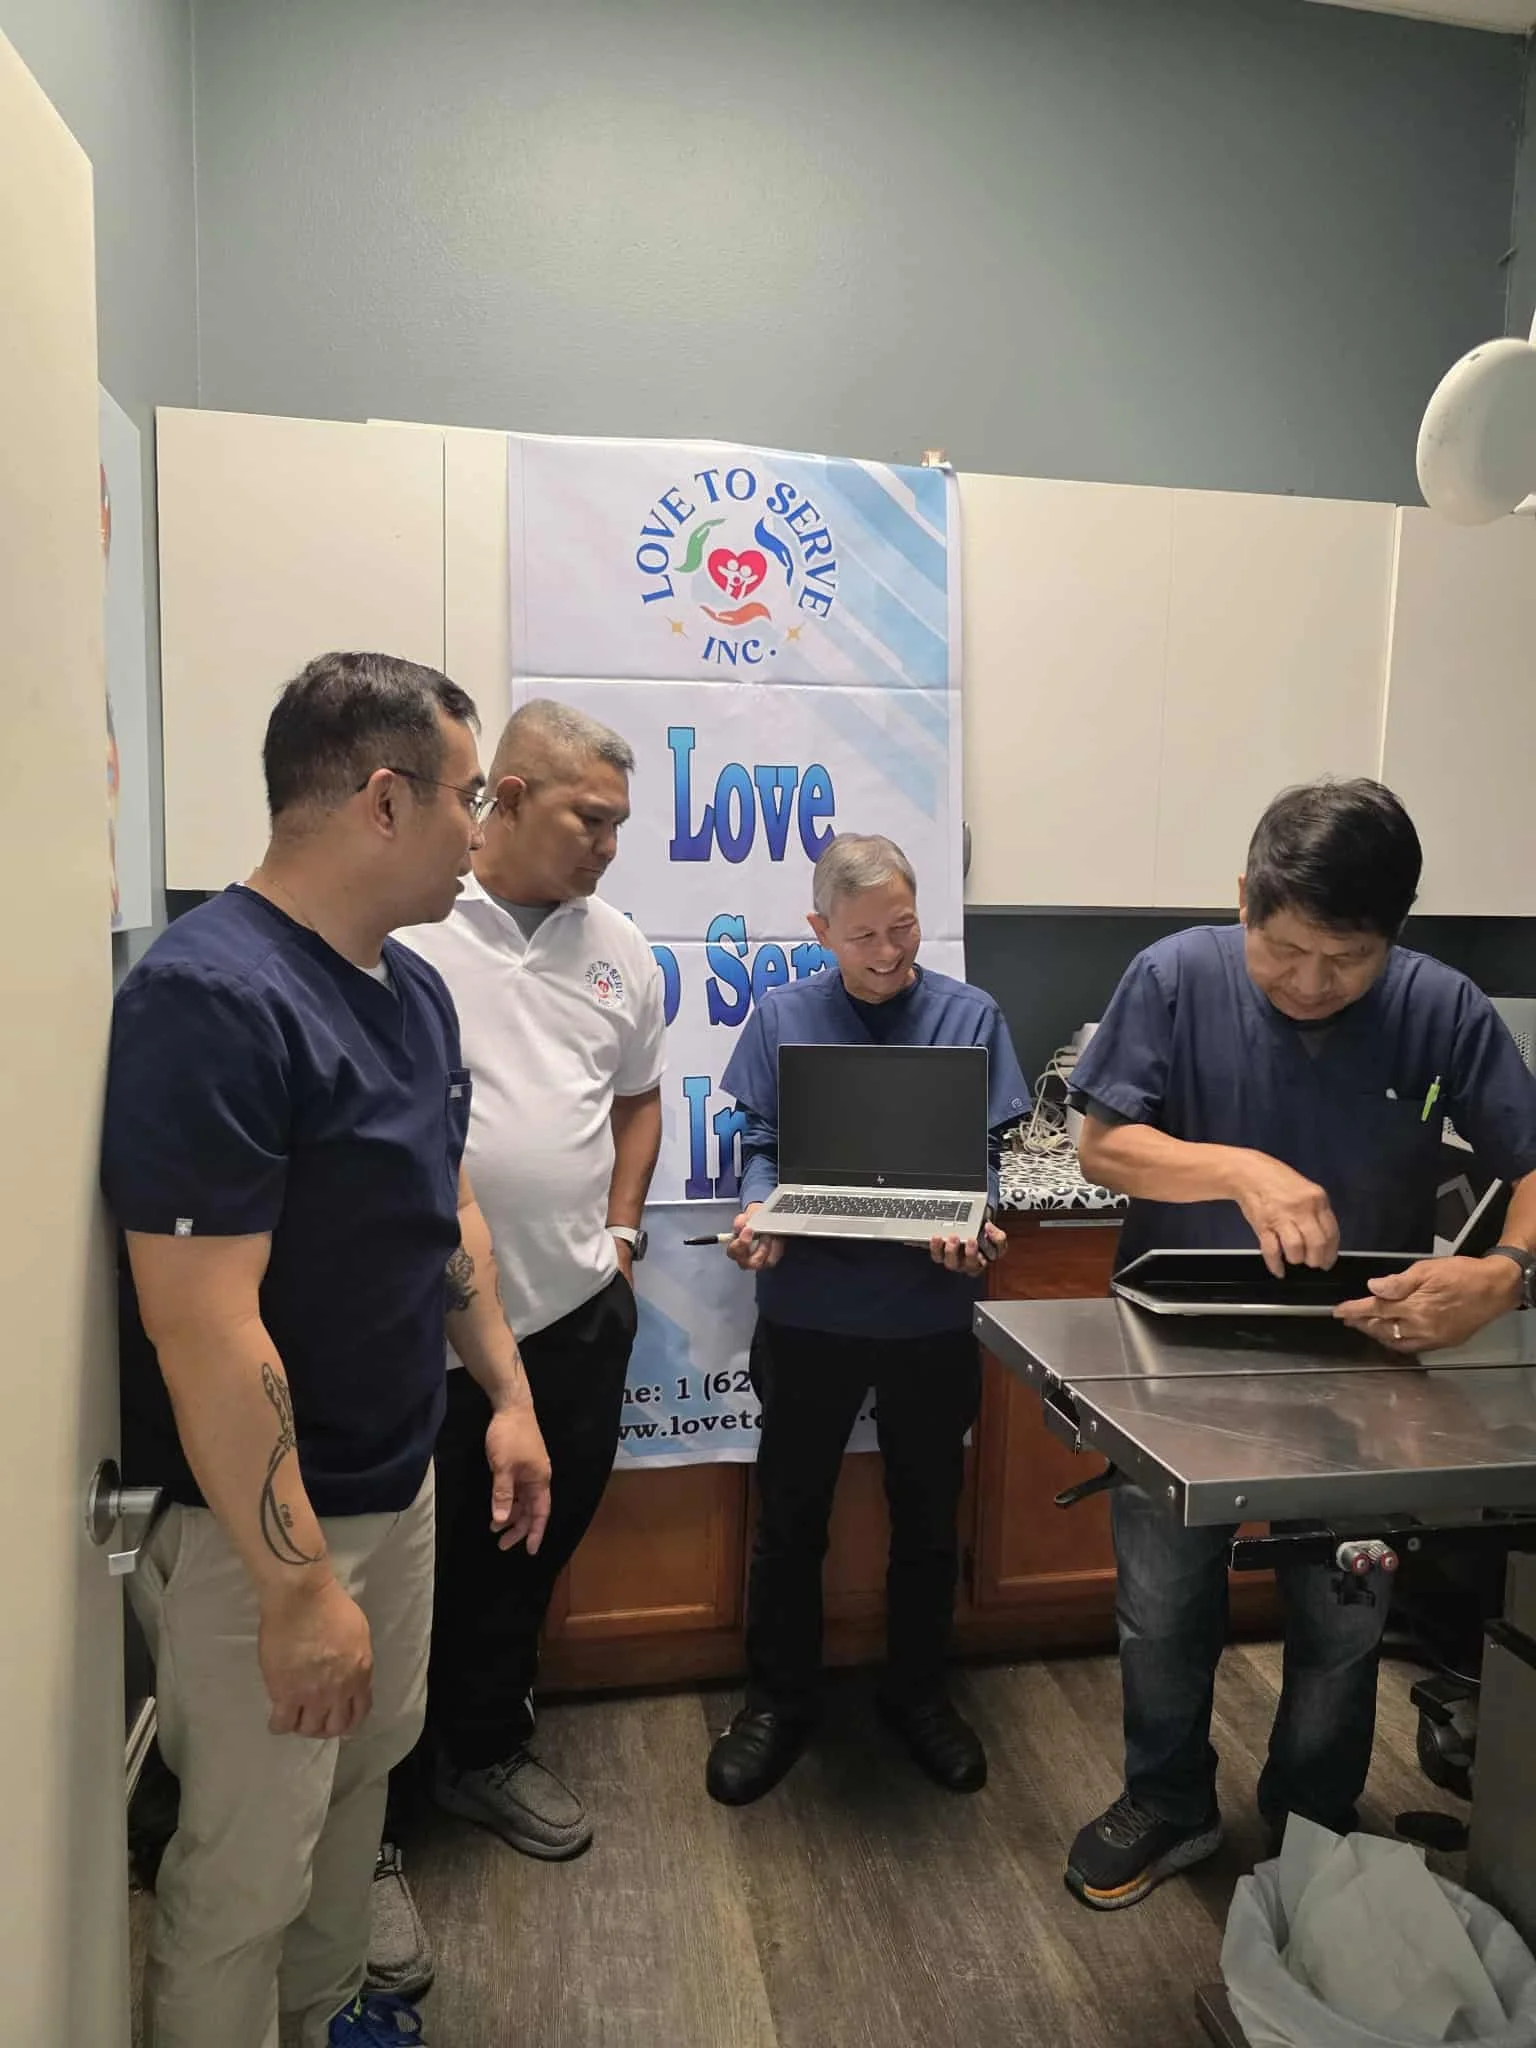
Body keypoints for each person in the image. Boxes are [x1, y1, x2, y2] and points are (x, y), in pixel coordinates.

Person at [103, 652, 552, 2048]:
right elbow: (202, 1324)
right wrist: (297, 1588)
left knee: (361, 1790)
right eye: (469, 797)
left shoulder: (409, 994)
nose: (482, 829)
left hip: (398, 1478)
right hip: (266, 1538)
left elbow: (446, 1215)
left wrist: (509, 1399)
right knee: (243, 1866)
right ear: (380, 798)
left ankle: (331, 2010)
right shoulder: (210, 998)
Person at [1063, 778, 1536, 1912]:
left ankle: (1315, 1816)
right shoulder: (1174, 977)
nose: (1313, 983)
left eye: (1350, 957)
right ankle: (1168, 1797)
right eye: (1285, 950)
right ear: (1243, 902)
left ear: (1396, 936)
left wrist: (1507, 1274)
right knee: (1165, 1603)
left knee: (1345, 1610)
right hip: (1173, 1352)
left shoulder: (1445, 1008)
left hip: (1365, 1354)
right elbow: (1102, 1146)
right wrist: (1241, 1167)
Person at [369, 699, 664, 1979]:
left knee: (526, 1553)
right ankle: (368, 1831)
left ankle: (486, 1748)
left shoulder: (625, 950)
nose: (608, 844)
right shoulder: (408, 926)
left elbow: (643, 1101)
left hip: (573, 1321)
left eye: (619, 823)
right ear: (505, 795)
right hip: (419, 1340)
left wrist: (623, 1230)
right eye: (587, 817)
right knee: (392, 1587)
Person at [704, 833, 1030, 1806]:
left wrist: (976, 1218)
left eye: (904, 927)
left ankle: (918, 1694)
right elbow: (759, 1147)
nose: (889, 952)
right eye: (864, 937)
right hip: (809, 1309)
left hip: (930, 1312)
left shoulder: (970, 1014)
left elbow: (988, 1158)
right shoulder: (780, 1016)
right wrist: (760, 1209)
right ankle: (776, 1700)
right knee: (791, 1516)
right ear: (820, 932)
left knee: (929, 1518)